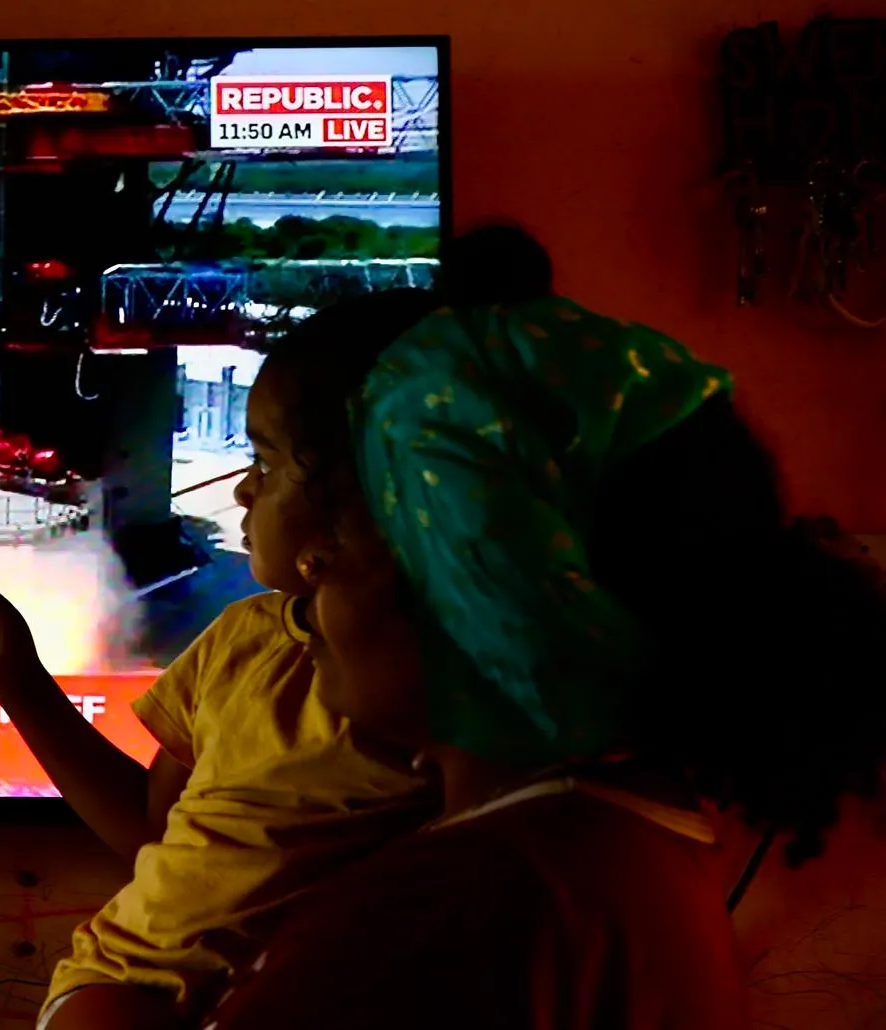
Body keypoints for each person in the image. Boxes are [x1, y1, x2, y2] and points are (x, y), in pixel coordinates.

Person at [195, 293, 886, 1027]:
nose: (308, 568)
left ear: (475, 585)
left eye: (342, 535)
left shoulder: (446, 915)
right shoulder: (619, 855)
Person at [0, 230, 557, 1030]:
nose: (240, 491)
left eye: (265, 465)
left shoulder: (421, 691)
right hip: (117, 985)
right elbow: (153, 832)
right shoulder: (239, 640)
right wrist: (20, 686)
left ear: (366, 498)